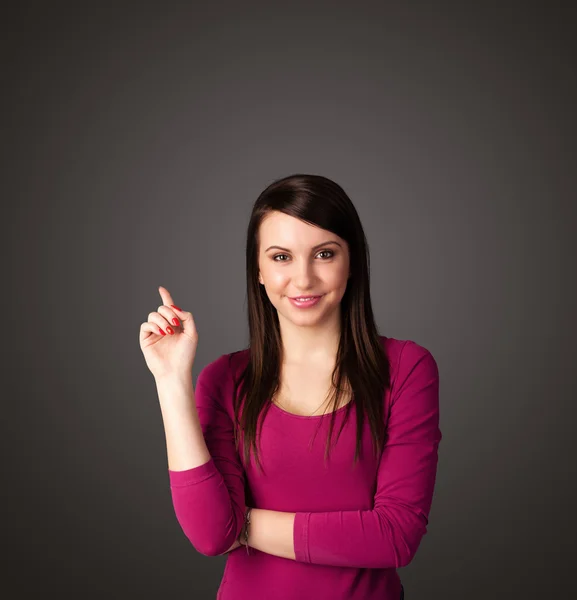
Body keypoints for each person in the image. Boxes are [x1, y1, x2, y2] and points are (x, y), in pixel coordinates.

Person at [139, 174, 441, 600]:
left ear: (351, 261)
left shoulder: (407, 368)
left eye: (324, 254)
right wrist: (171, 380)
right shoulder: (224, 380)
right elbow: (210, 536)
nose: (303, 279)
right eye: (281, 257)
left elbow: (395, 536)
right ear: (258, 271)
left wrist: (242, 524)